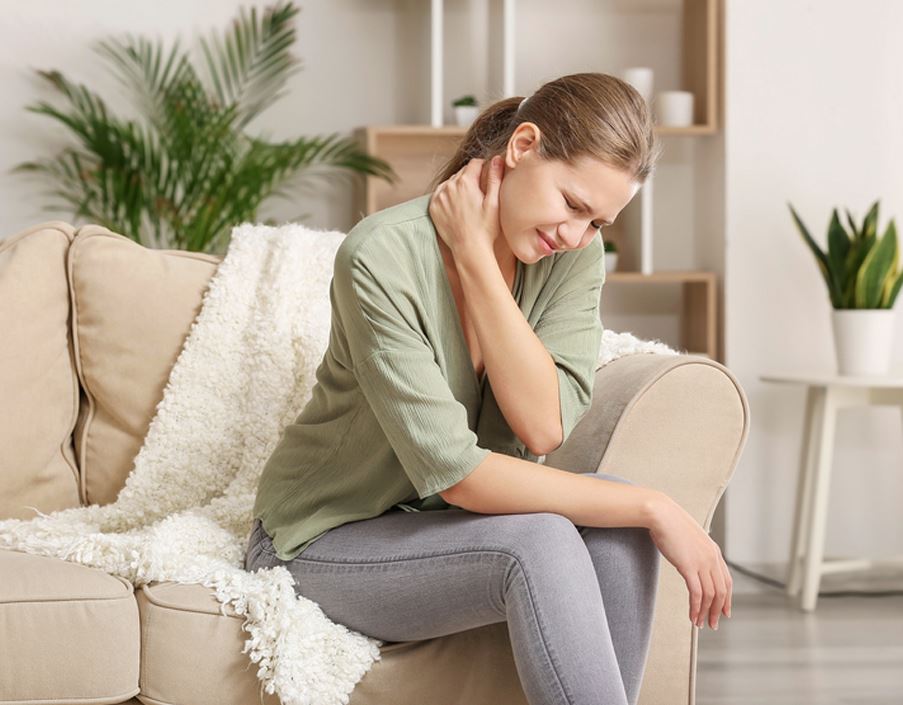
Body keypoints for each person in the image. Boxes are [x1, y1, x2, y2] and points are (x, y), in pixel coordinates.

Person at [245, 71, 732, 705]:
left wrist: (479, 259)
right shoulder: (381, 257)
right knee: (555, 535)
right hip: (323, 539)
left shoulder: (571, 254)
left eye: (598, 222)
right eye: (573, 205)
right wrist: (657, 505)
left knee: (616, 522)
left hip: (451, 529)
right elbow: (458, 473)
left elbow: (543, 426)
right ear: (523, 147)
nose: (578, 234)